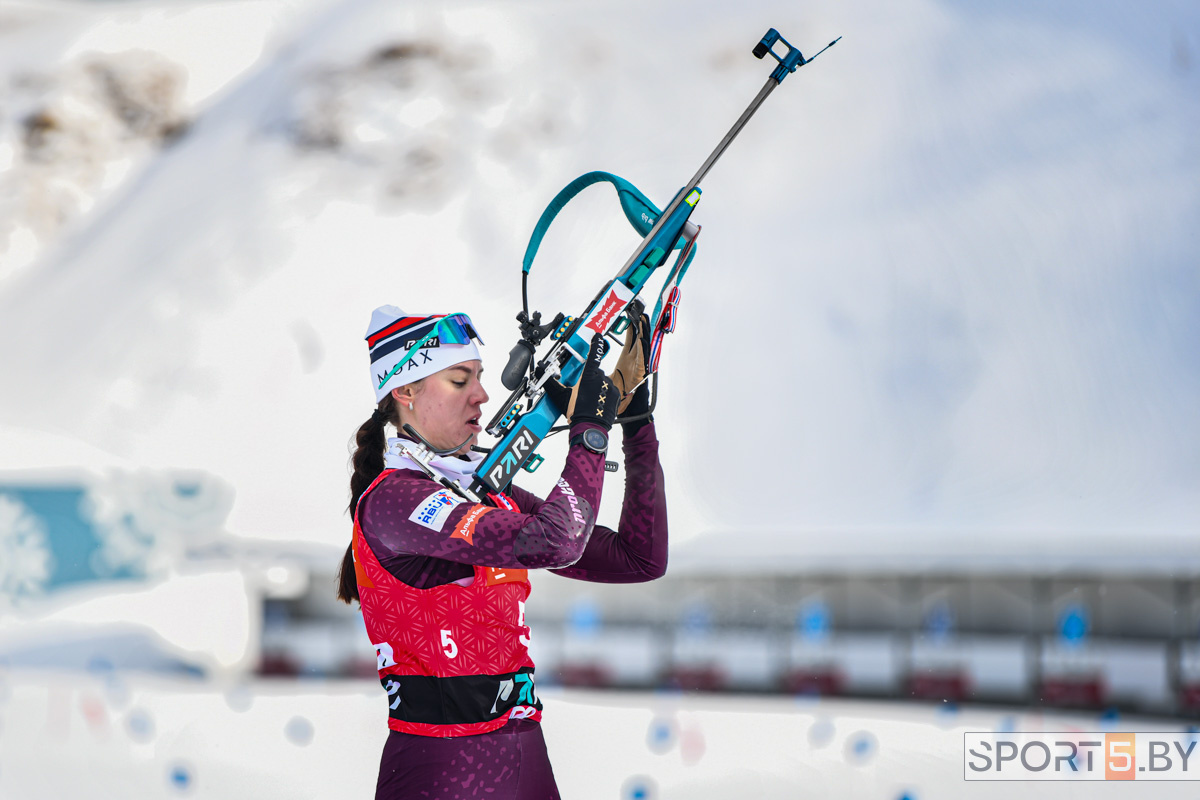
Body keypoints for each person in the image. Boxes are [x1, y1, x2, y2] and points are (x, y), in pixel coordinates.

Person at [337, 306, 668, 799]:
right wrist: (589, 433)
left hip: (524, 757)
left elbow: (638, 558)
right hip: (441, 771)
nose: (481, 394)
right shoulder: (395, 500)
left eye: (480, 377)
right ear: (404, 392)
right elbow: (555, 541)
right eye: (458, 380)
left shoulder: (486, 492)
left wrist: (635, 423)